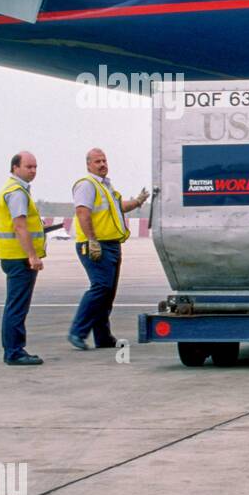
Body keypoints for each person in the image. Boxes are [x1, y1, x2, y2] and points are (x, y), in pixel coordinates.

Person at [67, 148, 149, 350]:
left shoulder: (106, 187)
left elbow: (119, 206)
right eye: (97, 161)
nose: (102, 164)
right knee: (101, 287)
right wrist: (92, 240)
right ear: (88, 165)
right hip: (96, 245)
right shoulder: (87, 185)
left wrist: (138, 201)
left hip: (111, 244)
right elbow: (82, 213)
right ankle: (77, 331)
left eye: (104, 160)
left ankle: (102, 336)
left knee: (108, 292)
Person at [0, 151, 46, 365]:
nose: (33, 171)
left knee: (14, 304)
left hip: (12, 256)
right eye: (28, 167)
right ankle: (14, 352)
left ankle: (13, 349)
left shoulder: (15, 189)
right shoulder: (17, 192)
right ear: (15, 168)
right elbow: (19, 225)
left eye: (35, 167)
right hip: (19, 258)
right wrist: (32, 255)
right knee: (17, 305)